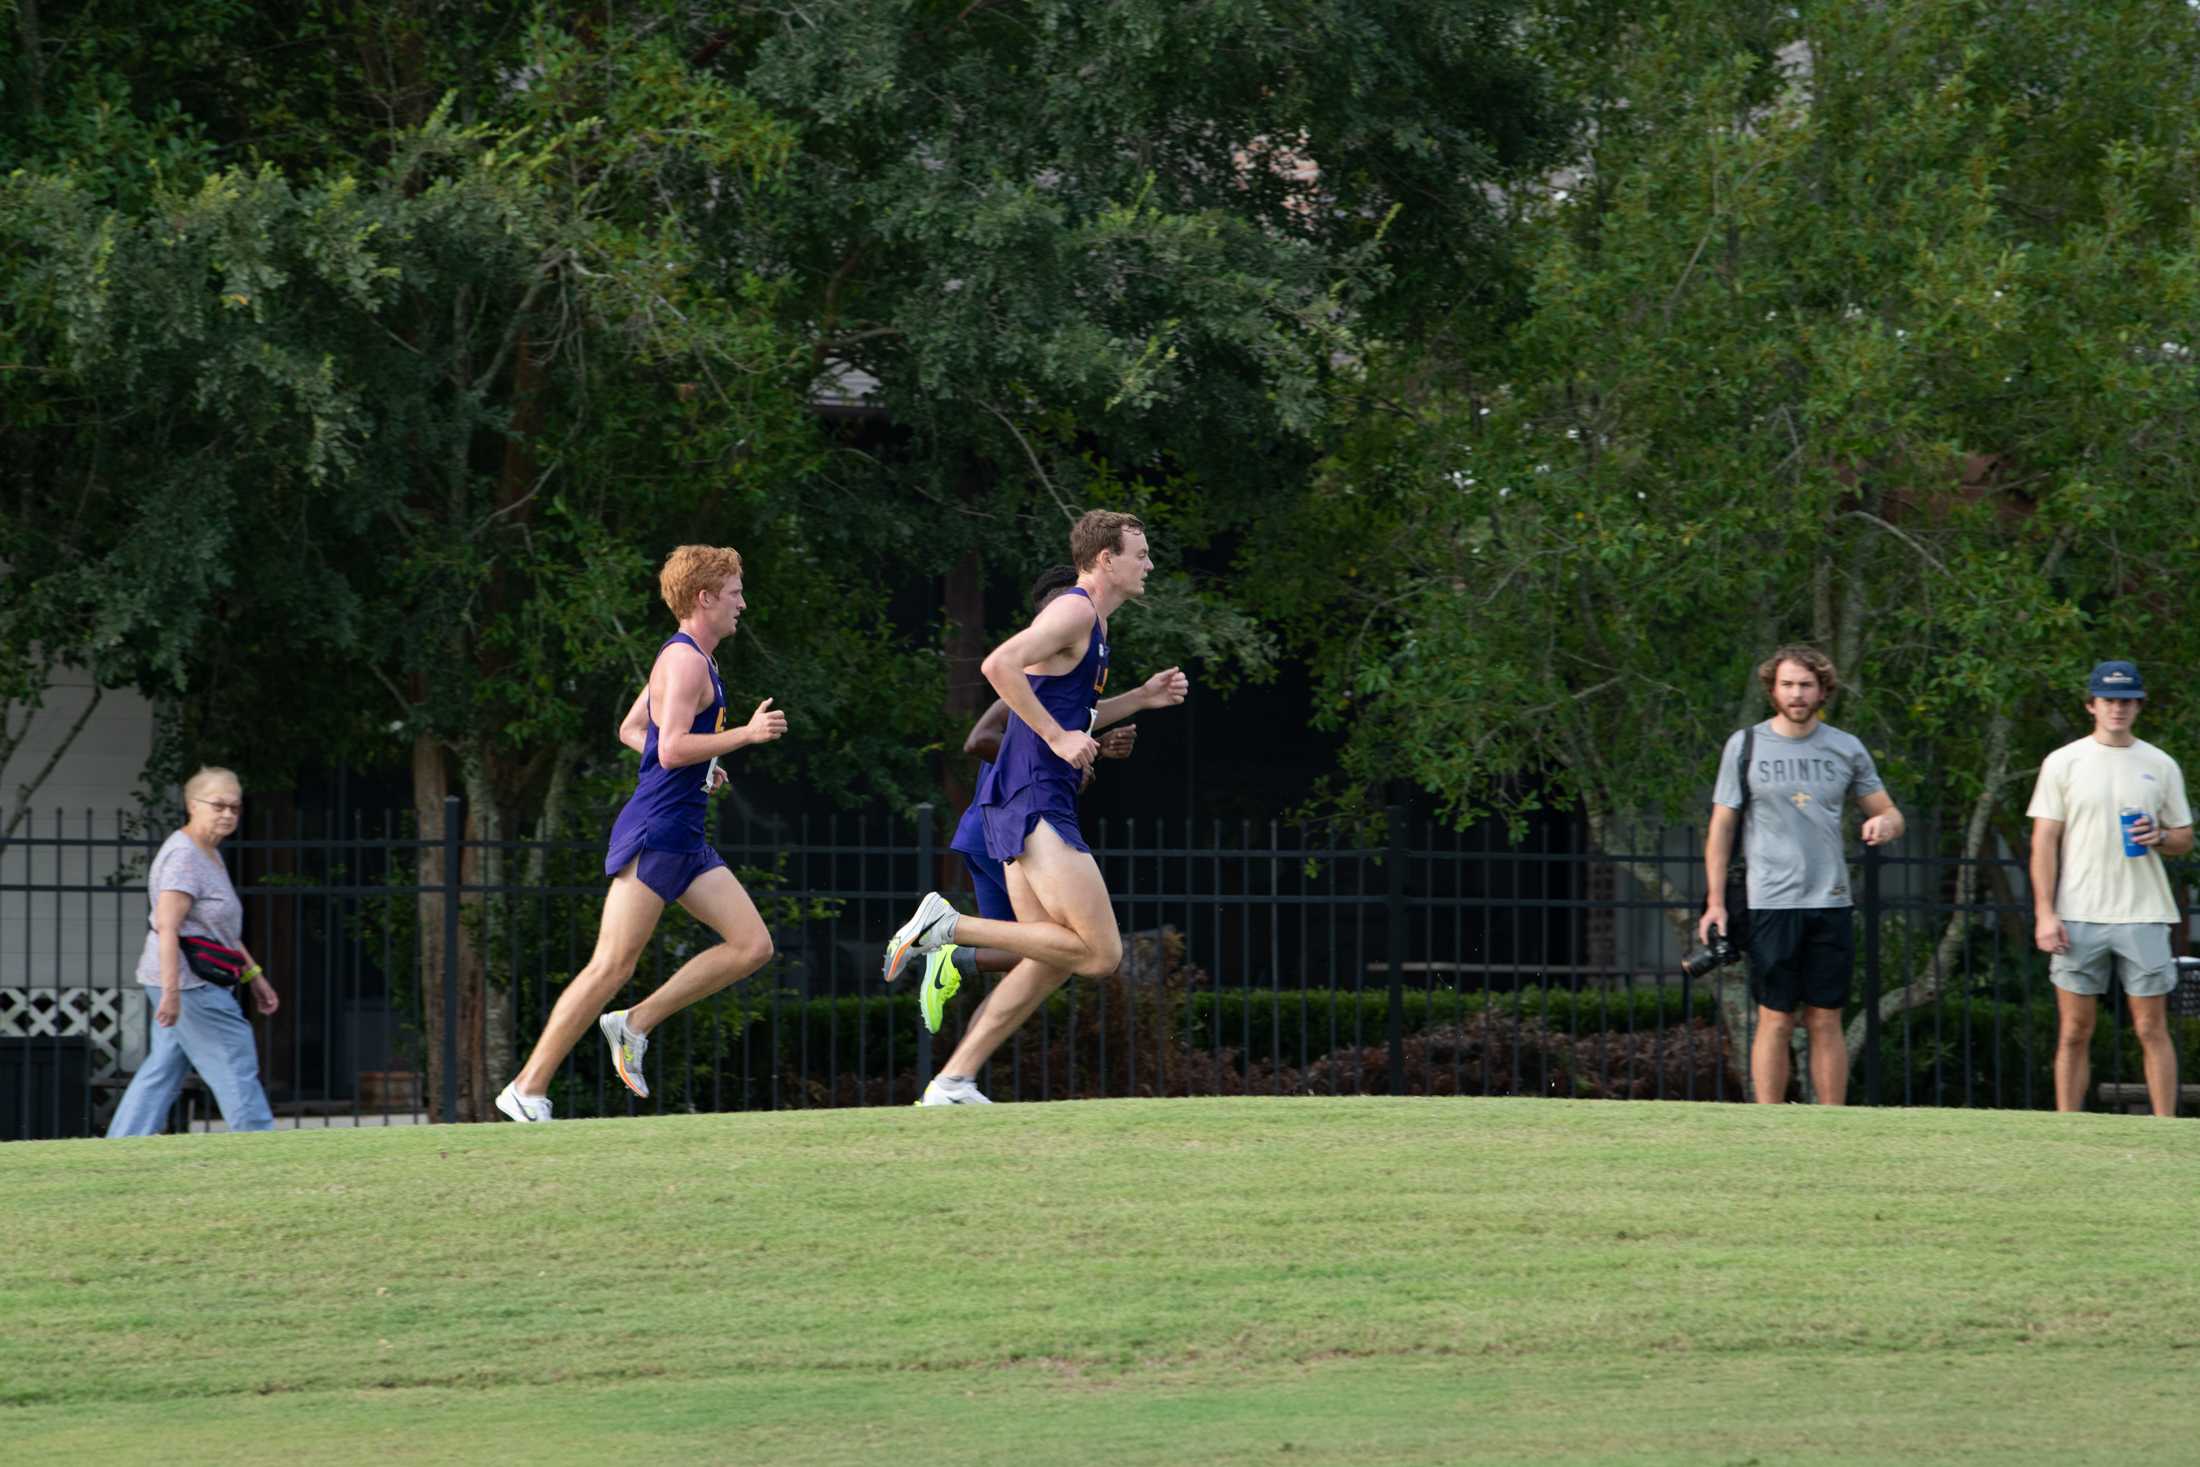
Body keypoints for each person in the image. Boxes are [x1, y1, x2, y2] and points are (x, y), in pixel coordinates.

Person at [884, 511, 1185, 1104]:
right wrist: (1056, 738)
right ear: (1105, 559)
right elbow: (998, 665)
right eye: (1140, 553)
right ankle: (945, 926)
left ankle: (952, 1081)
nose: (1148, 564)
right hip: (1034, 799)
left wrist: (1143, 699)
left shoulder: (1093, 625)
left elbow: (1073, 714)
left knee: (1046, 953)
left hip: (1019, 800)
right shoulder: (1074, 610)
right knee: (1100, 954)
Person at [495, 545, 789, 1122]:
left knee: (753, 946)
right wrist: (744, 737)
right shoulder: (683, 662)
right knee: (610, 966)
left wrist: (703, 762)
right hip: (656, 831)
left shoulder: (696, 661)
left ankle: (634, 1023)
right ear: (704, 598)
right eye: (734, 594)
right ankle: (526, 1089)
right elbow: (672, 745)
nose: (742, 604)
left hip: (683, 833)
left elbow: (636, 730)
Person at [920, 563, 1183, 1032]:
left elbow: (1060, 736)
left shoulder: (1070, 678)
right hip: (1008, 819)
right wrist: (1063, 747)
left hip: (1013, 815)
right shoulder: (1030, 671)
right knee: (1059, 948)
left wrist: (1106, 731)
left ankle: (955, 1066)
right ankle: (948, 939)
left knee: (1043, 950)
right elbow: (990, 739)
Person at [1699, 646, 1904, 1105]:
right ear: (1772, 688)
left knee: (1825, 1017)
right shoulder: (1745, 745)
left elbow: (1890, 812)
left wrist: (1884, 824)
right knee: (1774, 1017)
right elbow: (1722, 826)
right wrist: (1715, 901)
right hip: (1770, 901)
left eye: (1806, 685)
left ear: (1822, 690)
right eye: (1788, 684)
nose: (1796, 694)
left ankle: (1833, 1124)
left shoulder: (1846, 747)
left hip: (1830, 900)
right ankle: (1769, 1124)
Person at [2027, 659, 2191, 1116]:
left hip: (2144, 912)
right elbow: (2044, 840)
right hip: (2077, 914)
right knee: (2075, 1030)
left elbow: (2183, 837)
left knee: (2151, 1028)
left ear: (2138, 706)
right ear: (2091, 705)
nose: (2118, 708)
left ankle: (2165, 1130)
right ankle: (2067, 1129)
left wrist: (2159, 836)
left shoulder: (2160, 764)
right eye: (2109, 700)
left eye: (2127, 700)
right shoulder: (2063, 762)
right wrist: (2045, 912)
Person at [107, 766, 280, 1136]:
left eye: (235, 807)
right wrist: (171, 994)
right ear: (192, 805)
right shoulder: (184, 857)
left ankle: (121, 1147)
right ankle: (261, 1146)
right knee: (235, 1055)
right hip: (189, 985)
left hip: (189, 982)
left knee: (164, 1069)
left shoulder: (210, 855)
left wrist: (255, 977)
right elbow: (167, 927)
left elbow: (219, 930)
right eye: (218, 805)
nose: (228, 814)